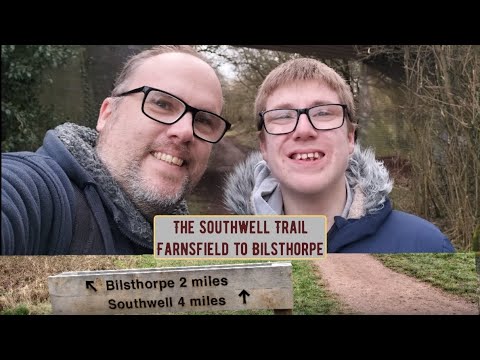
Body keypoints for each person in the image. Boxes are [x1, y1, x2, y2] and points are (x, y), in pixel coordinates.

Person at [2, 45, 231, 255]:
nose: (185, 132)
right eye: (161, 104)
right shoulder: (38, 192)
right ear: (107, 115)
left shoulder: (185, 241)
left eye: (204, 120)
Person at [223, 57, 455, 253]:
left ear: (350, 138)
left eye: (323, 112)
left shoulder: (426, 245)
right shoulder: (224, 249)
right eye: (283, 116)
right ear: (263, 145)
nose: (303, 130)